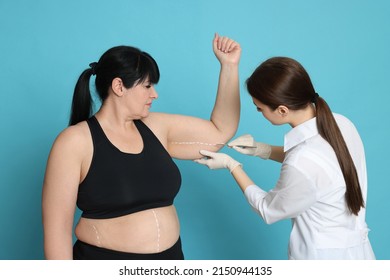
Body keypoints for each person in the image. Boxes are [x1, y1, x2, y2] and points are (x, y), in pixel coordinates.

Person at [42, 33, 241, 260]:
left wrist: (229, 66)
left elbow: (220, 132)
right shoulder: (74, 142)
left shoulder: (156, 127)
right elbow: (57, 232)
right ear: (119, 86)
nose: (154, 94)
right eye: (147, 86)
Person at [195, 57, 376, 260]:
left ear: (282, 110)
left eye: (259, 108)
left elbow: (267, 209)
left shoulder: (302, 161)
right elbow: (320, 169)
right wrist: (261, 150)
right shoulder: (342, 123)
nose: (258, 112)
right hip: (359, 254)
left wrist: (231, 165)